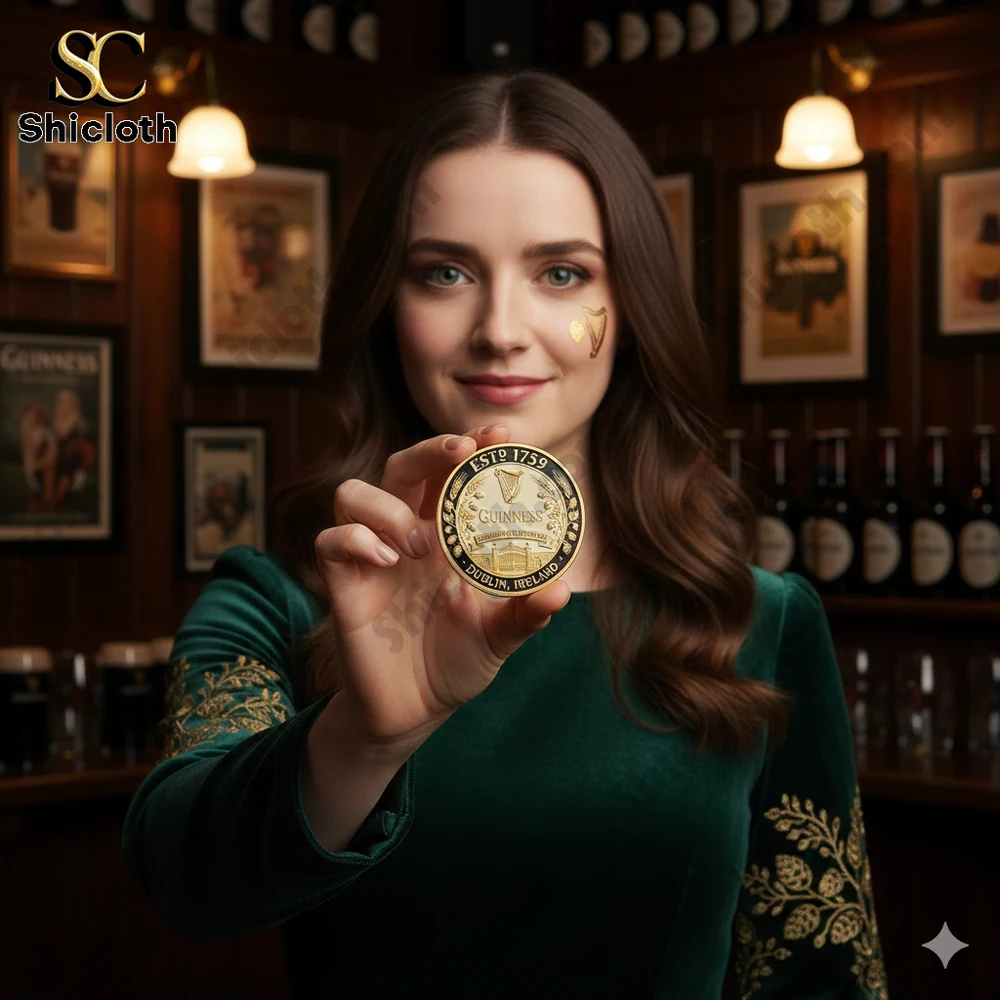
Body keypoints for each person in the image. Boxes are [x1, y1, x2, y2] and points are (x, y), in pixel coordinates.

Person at [121, 70, 888, 999]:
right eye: (444, 273)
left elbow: (825, 978)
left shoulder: (758, 620)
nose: (500, 330)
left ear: (633, 306)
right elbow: (186, 882)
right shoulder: (277, 600)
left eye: (562, 273)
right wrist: (361, 739)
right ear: (384, 305)